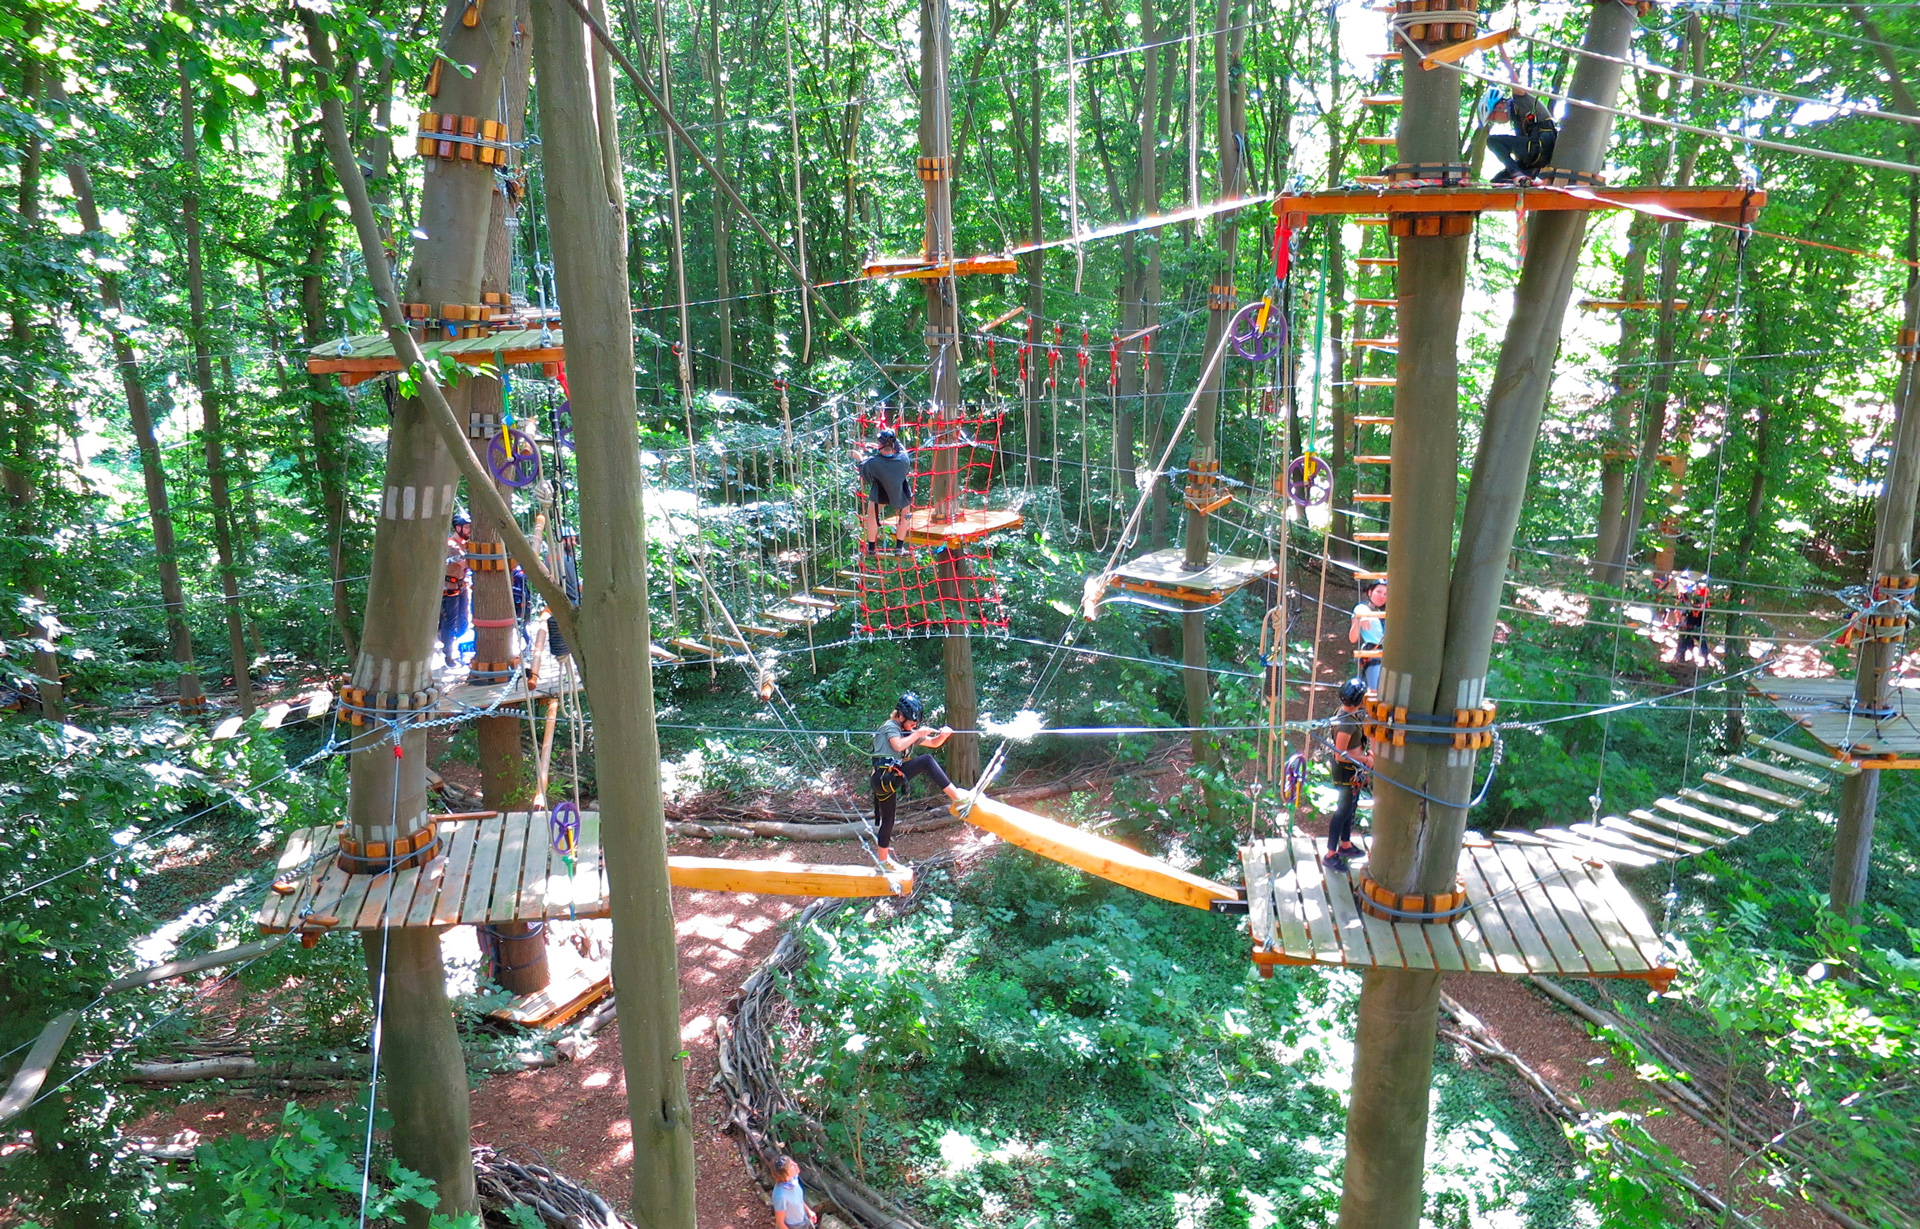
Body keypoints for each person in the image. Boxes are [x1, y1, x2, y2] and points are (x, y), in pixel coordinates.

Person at [871, 692, 964, 869]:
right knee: (926, 761)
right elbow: (898, 745)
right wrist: (917, 734)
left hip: (886, 780)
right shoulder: (890, 726)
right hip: (883, 777)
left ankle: (882, 861)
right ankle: (958, 798)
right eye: (912, 722)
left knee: (888, 821)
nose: (914, 725)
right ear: (900, 716)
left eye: (916, 723)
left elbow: (933, 743)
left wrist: (944, 735)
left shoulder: (907, 731)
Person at [1325, 678, 1373, 871]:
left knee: (1350, 808)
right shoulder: (1346, 724)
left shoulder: (1346, 714)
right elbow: (1340, 754)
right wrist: (1366, 759)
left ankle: (1345, 844)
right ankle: (1330, 854)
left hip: (1352, 771)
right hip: (1346, 773)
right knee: (1342, 811)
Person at [855, 428, 915, 559]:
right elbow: (900, 447)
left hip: (880, 494)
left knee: (872, 514)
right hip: (900, 494)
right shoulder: (903, 459)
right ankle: (899, 547)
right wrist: (891, 436)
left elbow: (864, 471)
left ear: (880, 445)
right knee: (905, 515)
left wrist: (859, 458)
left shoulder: (873, 462)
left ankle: (871, 548)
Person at [1486, 84, 1557, 184]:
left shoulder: (1519, 101)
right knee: (1497, 181)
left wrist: (1510, 73)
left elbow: (1517, 87)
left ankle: (1517, 174)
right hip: (1536, 155)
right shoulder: (1516, 120)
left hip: (1541, 146)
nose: (1496, 122)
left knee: (1492, 141)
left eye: (1493, 118)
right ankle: (1527, 180)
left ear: (1499, 106)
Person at [439, 511, 473, 667]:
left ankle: (461, 652)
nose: (469, 530)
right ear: (458, 528)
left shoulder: (465, 544)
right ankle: (448, 655)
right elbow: (465, 563)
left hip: (462, 585)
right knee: (450, 621)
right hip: (450, 587)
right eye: (467, 527)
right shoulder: (451, 544)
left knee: (464, 620)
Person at [1348, 580, 1387, 694]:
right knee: (1375, 692)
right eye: (1378, 592)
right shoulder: (1363, 609)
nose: (1382, 596)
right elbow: (1353, 638)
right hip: (1374, 655)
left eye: (1385, 594)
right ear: (1370, 592)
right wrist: (1361, 618)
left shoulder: (1387, 612)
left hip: (1390, 655)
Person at [771, 1155, 817, 1229]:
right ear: (784, 1173)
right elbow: (780, 1223)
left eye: (793, 1162)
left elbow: (798, 1199)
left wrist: (809, 1211)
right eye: (791, 1165)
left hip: (804, 1220)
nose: (796, 1164)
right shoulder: (780, 1196)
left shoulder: (793, 1180)